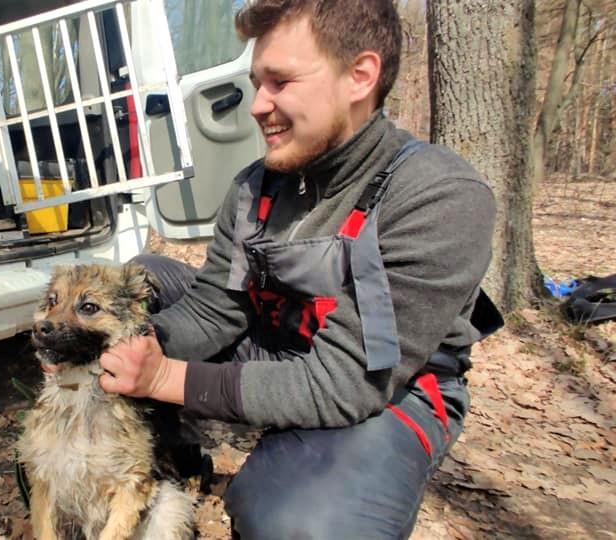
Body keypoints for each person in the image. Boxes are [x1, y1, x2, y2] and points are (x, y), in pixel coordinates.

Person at [94, 0, 503, 538]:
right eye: (256, 82)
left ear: (360, 76)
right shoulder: (253, 186)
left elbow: (347, 382)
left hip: (386, 390)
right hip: (276, 345)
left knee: (299, 523)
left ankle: (299, 476)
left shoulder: (437, 196)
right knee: (142, 286)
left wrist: (164, 377)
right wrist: (123, 344)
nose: (258, 105)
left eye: (280, 82)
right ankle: (176, 459)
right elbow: (215, 308)